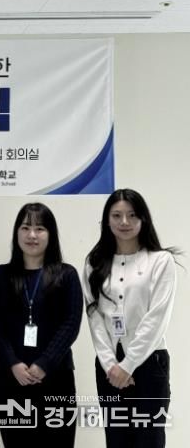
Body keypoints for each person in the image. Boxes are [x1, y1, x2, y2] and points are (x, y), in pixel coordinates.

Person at [84, 188, 177, 448]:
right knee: (116, 440)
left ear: (143, 218)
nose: (124, 222)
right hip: (109, 367)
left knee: (150, 439)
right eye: (116, 215)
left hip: (150, 362)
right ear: (107, 220)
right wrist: (111, 365)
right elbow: (94, 318)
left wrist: (128, 365)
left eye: (132, 215)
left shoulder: (161, 261)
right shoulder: (94, 262)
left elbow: (157, 318)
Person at [0, 203, 82, 446]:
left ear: (51, 234)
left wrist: (43, 364)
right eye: (25, 227)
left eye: (40, 228)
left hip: (56, 377)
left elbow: (71, 324)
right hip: (12, 377)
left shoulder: (67, 275)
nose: (32, 235)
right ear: (16, 232)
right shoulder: (0, 275)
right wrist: (14, 362)